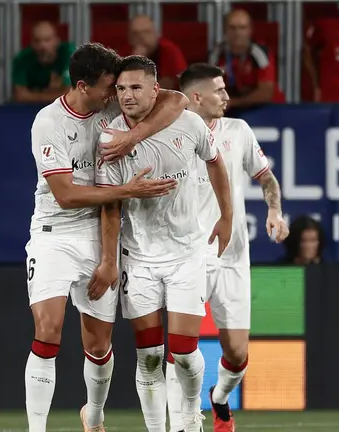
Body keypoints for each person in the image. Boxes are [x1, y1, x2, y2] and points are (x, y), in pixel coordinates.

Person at [25, 43, 189, 432]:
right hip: (53, 233)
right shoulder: (49, 123)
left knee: (98, 346)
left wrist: (136, 136)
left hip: (99, 234)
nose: (117, 94)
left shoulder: (111, 109)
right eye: (109, 87)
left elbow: (178, 99)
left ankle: (94, 416)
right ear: (83, 86)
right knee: (48, 331)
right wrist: (128, 191)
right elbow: (65, 195)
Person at [96, 56, 234, 432]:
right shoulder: (109, 138)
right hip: (139, 258)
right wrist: (110, 259)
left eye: (136, 87)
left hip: (186, 253)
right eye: (121, 88)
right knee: (150, 357)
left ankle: (190, 416)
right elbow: (108, 205)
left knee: (186, 354)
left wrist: (227, 216)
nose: (127, 95)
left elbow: (216, 163)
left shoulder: (187, 123)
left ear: (155, 89)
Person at [161, 63, 289, 432]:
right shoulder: (170, 134)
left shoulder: (239, 130)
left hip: (232, 256)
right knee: (179, 348)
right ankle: (182, 423)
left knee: (237, 354)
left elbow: (265, 177)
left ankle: (218, 398)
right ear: (196, 96)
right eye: (219, 90)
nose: (227, 96)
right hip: (188, 255)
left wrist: (275, 210)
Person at [12, 21, 75, 103]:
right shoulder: (22, 58)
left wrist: (33, 94)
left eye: (47, 40)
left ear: (57, 40)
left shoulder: (70, 54)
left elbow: (71, 94)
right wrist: (56, 92)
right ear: (31, 43)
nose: (42, 46)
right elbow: (20, 96)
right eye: (37, 41)